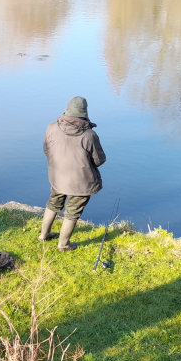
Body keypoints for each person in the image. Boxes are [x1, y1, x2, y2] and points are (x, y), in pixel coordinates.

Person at [38, 96, 106, 251]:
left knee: (53, 203)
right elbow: (99, 160)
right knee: (73, 211)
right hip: (80, 183)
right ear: (84, 112)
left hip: (57, 177)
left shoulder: (51, 127)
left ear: (67, 110)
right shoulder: (89, 135)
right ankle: (63, 245)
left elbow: (46, 151)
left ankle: (44, 235)